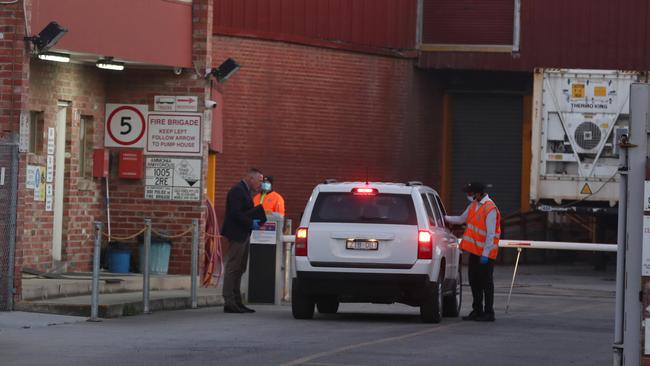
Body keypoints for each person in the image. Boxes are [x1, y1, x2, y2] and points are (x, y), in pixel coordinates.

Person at [445, 182, 501, 322]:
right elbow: (460, 219)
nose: (468, 196)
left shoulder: (490, 208)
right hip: (474, 253)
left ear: (478, 193)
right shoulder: (474, 205)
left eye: (470, 193)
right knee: (474, 282)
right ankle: (477, 311)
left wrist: (486, 254)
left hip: (485, 255)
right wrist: (443, 218)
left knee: (486, 283)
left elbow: (490, 234)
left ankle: (489, 312)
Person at [221, 168, 267, 313]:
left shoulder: (246, 191)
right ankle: (229, 301)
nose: (260, 184)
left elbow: (244, 211)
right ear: (251, 178)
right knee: (233, 267)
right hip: (237, 234)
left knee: (240, 268)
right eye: (259, 181)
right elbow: (235, 213)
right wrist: (250, 222)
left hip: (244, 233)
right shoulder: (238, 190)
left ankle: (237, 301)